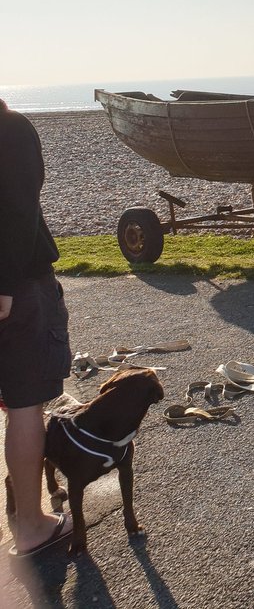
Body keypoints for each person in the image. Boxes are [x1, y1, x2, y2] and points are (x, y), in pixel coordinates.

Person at [0, 97, 73, 556]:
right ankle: (31, 525)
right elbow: (16, 211)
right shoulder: (9, 129)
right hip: (19, 288)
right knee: (25, 405)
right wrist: (4, 283)